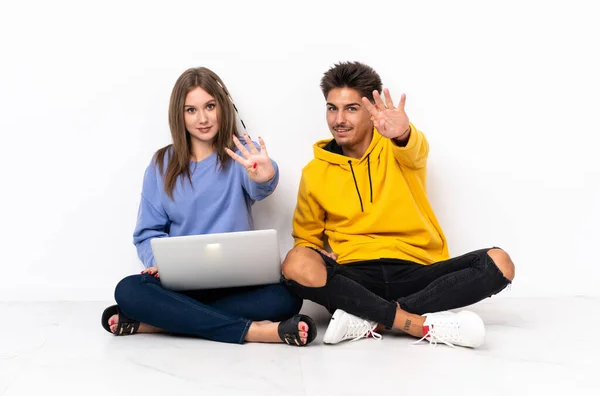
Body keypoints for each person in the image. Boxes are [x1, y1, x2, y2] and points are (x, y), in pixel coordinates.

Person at [281, 61, 515, 348]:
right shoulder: (314, 172)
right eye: (332, 108)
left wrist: (403, 133)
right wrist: (313, 251)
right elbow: (305, 239)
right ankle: (417, 324)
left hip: (416, 270)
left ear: (371, 111)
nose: (339, 119)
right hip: (355, 277)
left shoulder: (399, 146)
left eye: (351, 108)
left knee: (499, 263)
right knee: (295, 262)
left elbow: (415, 150)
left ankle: (370, 319)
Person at [100, 67, 316, 346]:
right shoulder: (161, 165)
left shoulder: (240, 156)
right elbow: (147, 233)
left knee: (286, 298)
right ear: (179, 115)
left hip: (238, 286)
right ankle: (254, 331)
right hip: (182, 287)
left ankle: (159, 324)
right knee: (128, 290)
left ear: (223, 107)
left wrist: (265, 174)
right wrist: (157, 263)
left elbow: (261, 182)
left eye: (210, 106)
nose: (202, 119)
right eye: (191, 110)